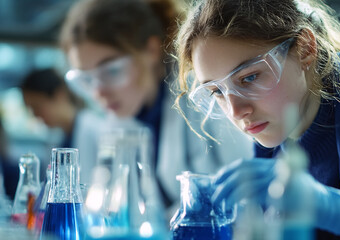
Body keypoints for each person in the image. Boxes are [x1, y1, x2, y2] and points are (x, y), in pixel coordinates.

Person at [173, 0, 340, 239]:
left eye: (249, 77)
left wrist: (322, 203)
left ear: (305, 49)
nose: (236, 111)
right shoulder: (272, 147)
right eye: (217, 92)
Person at [59, 0, 253, 209]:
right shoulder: (123, 121)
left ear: (151, 50)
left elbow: (247, 186)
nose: (99, 92)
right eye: (87, 80)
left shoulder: (204, 91)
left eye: (111, 71)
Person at [20, 68, 102, 185]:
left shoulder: (95, 129)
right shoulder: (56, 139)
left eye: (36, 106)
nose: (35, 115)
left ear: (59, 95)